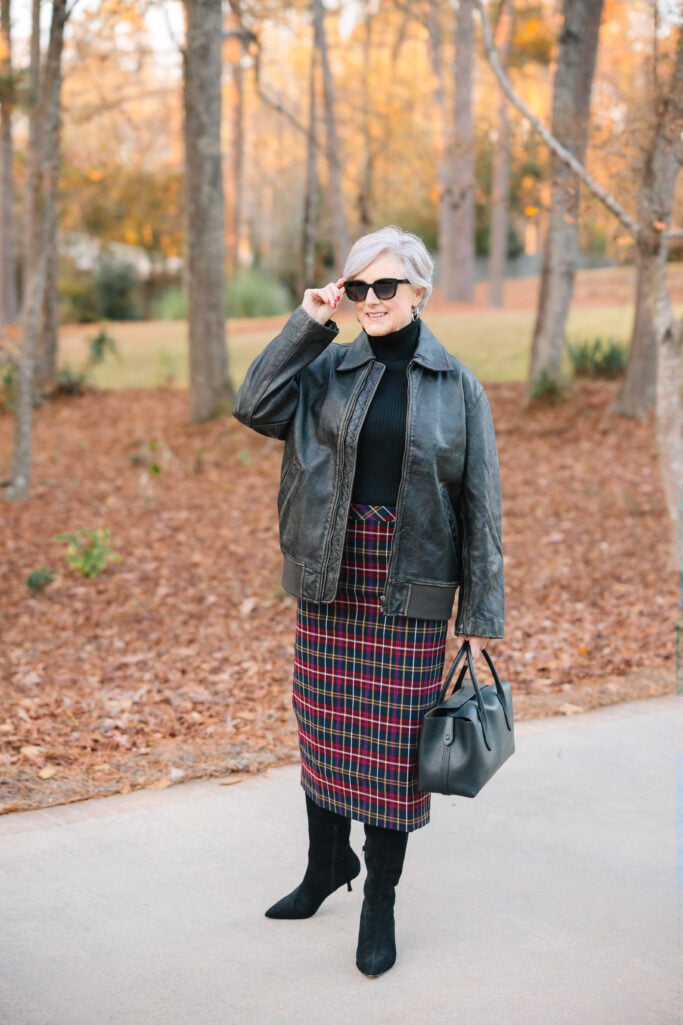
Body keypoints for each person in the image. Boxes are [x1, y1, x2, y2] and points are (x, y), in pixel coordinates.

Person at [233, 225, 504, 977]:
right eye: (359, 287)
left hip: (409, 585)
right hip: (331, 576)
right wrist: (308, 322)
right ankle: (326, 864)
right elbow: (253, 404)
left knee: (392, 751)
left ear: (419, 290)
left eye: (386, 286)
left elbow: (480, 505)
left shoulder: (457, 386)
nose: (372, 299)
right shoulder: (326, 368)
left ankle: (378, 897)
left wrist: (480, 616)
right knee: (321, 728)